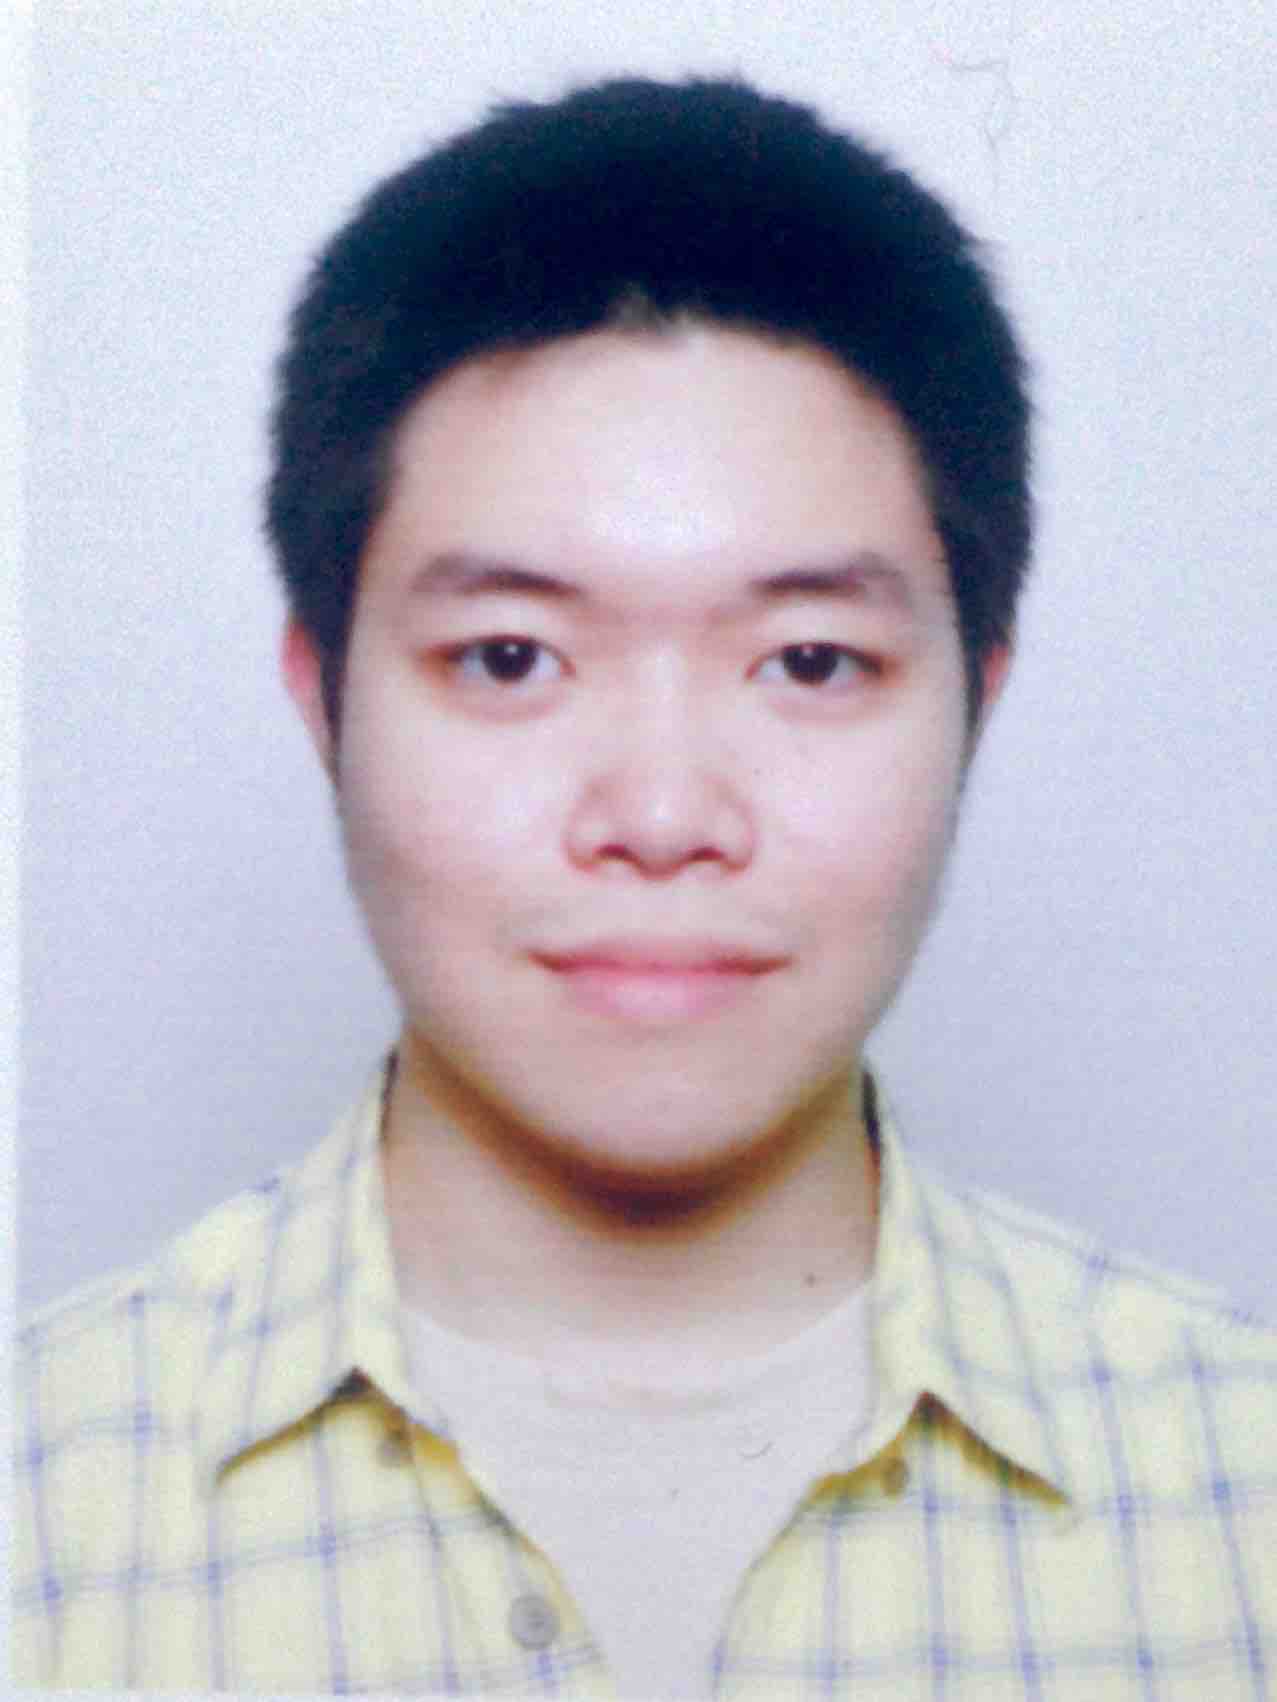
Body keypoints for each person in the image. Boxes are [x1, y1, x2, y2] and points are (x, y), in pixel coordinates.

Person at [13, 74, 1275, 1699]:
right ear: (323, 701)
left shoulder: (1238, 1485)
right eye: (510, 656)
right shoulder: (41, 1502)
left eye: (808, 660)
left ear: (978, 700)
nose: (664, 814)